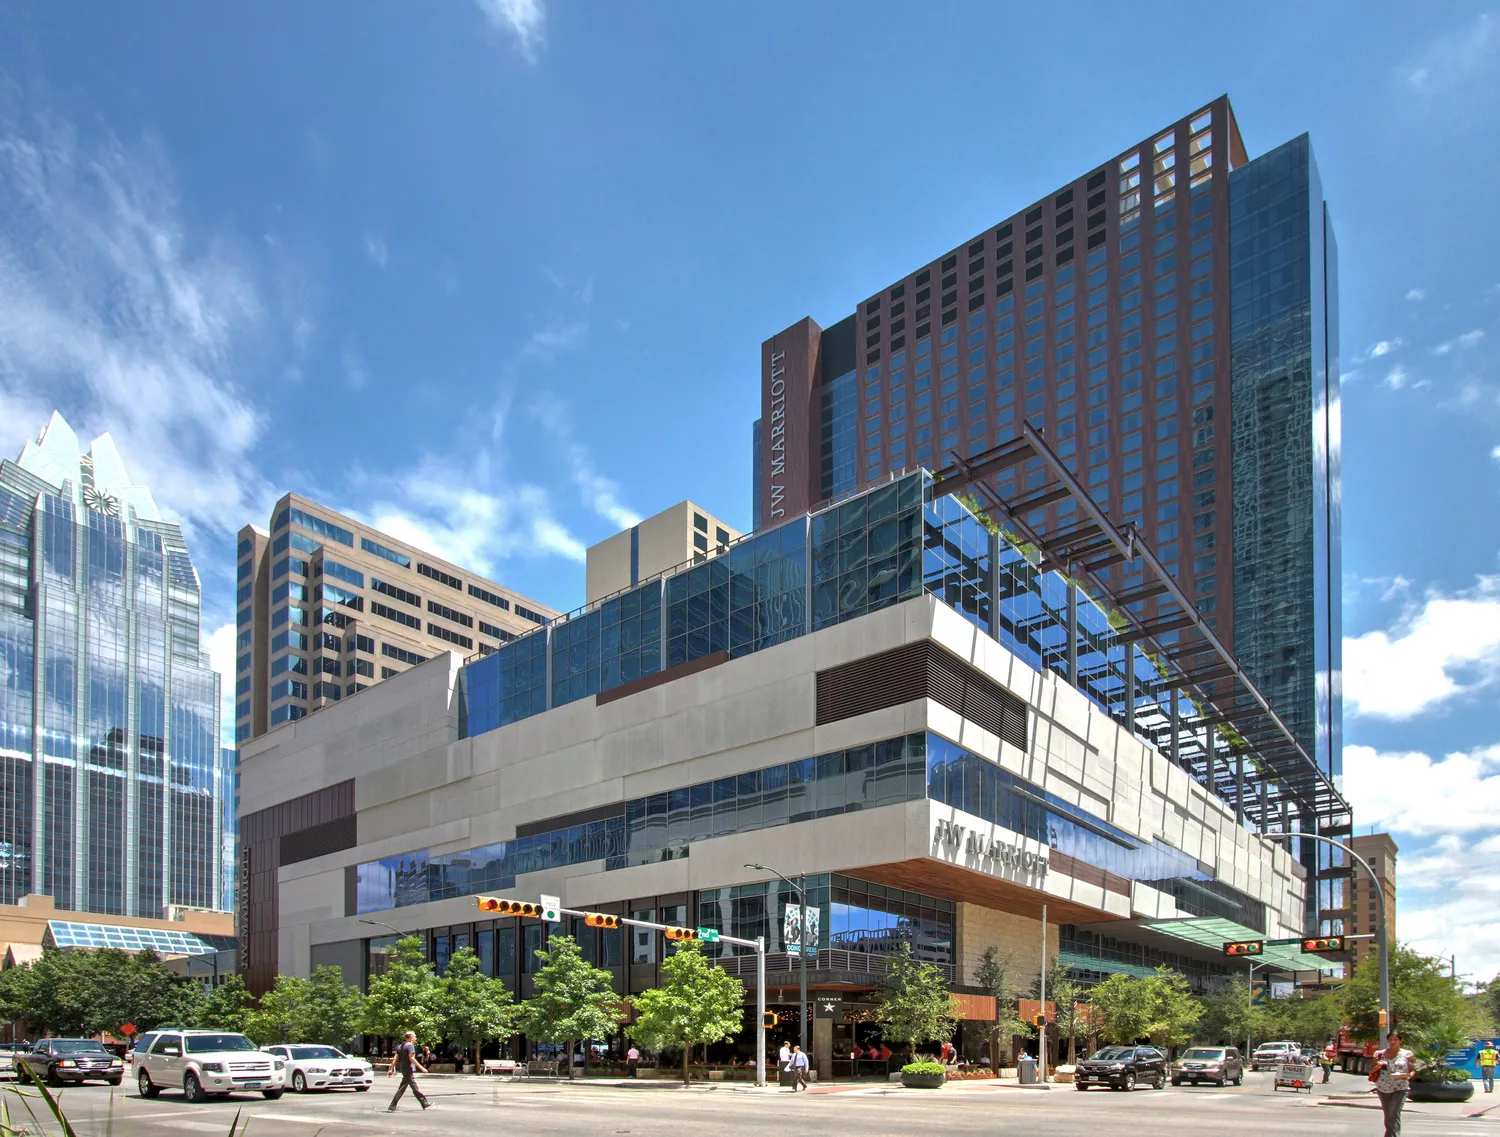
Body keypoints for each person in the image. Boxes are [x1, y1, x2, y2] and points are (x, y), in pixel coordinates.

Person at [1371, 1031, 1413, 1137]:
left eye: (1395, 1040)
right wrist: (1377, 1066)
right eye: (1390, 1040)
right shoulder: (1379, 1054)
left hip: (1400, 1087)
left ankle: (1393, 1135)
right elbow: (1371, 1071)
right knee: (1388, 1113)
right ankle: (1390, 1134)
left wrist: (1406, 1076)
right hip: (1383, 1087)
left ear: (1400, 1041)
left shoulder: (1407, 1054)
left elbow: (1413, 1070)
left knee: (1395, 1111)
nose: (1393, 1042)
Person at [387, 1031, 431, 1113]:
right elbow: (412, 1058)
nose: (415, 1038)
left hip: (403, 1068)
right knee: (402, 1088)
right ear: (410, 1037)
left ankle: (424, 1103)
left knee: (414, 1087)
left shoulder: (400, 1046)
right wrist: (422, 1068)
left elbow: (395, 1058)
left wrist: (391, 1069)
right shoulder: (410, 1046)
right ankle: (392, 1106)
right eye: (414, 1036)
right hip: (408, 1069)